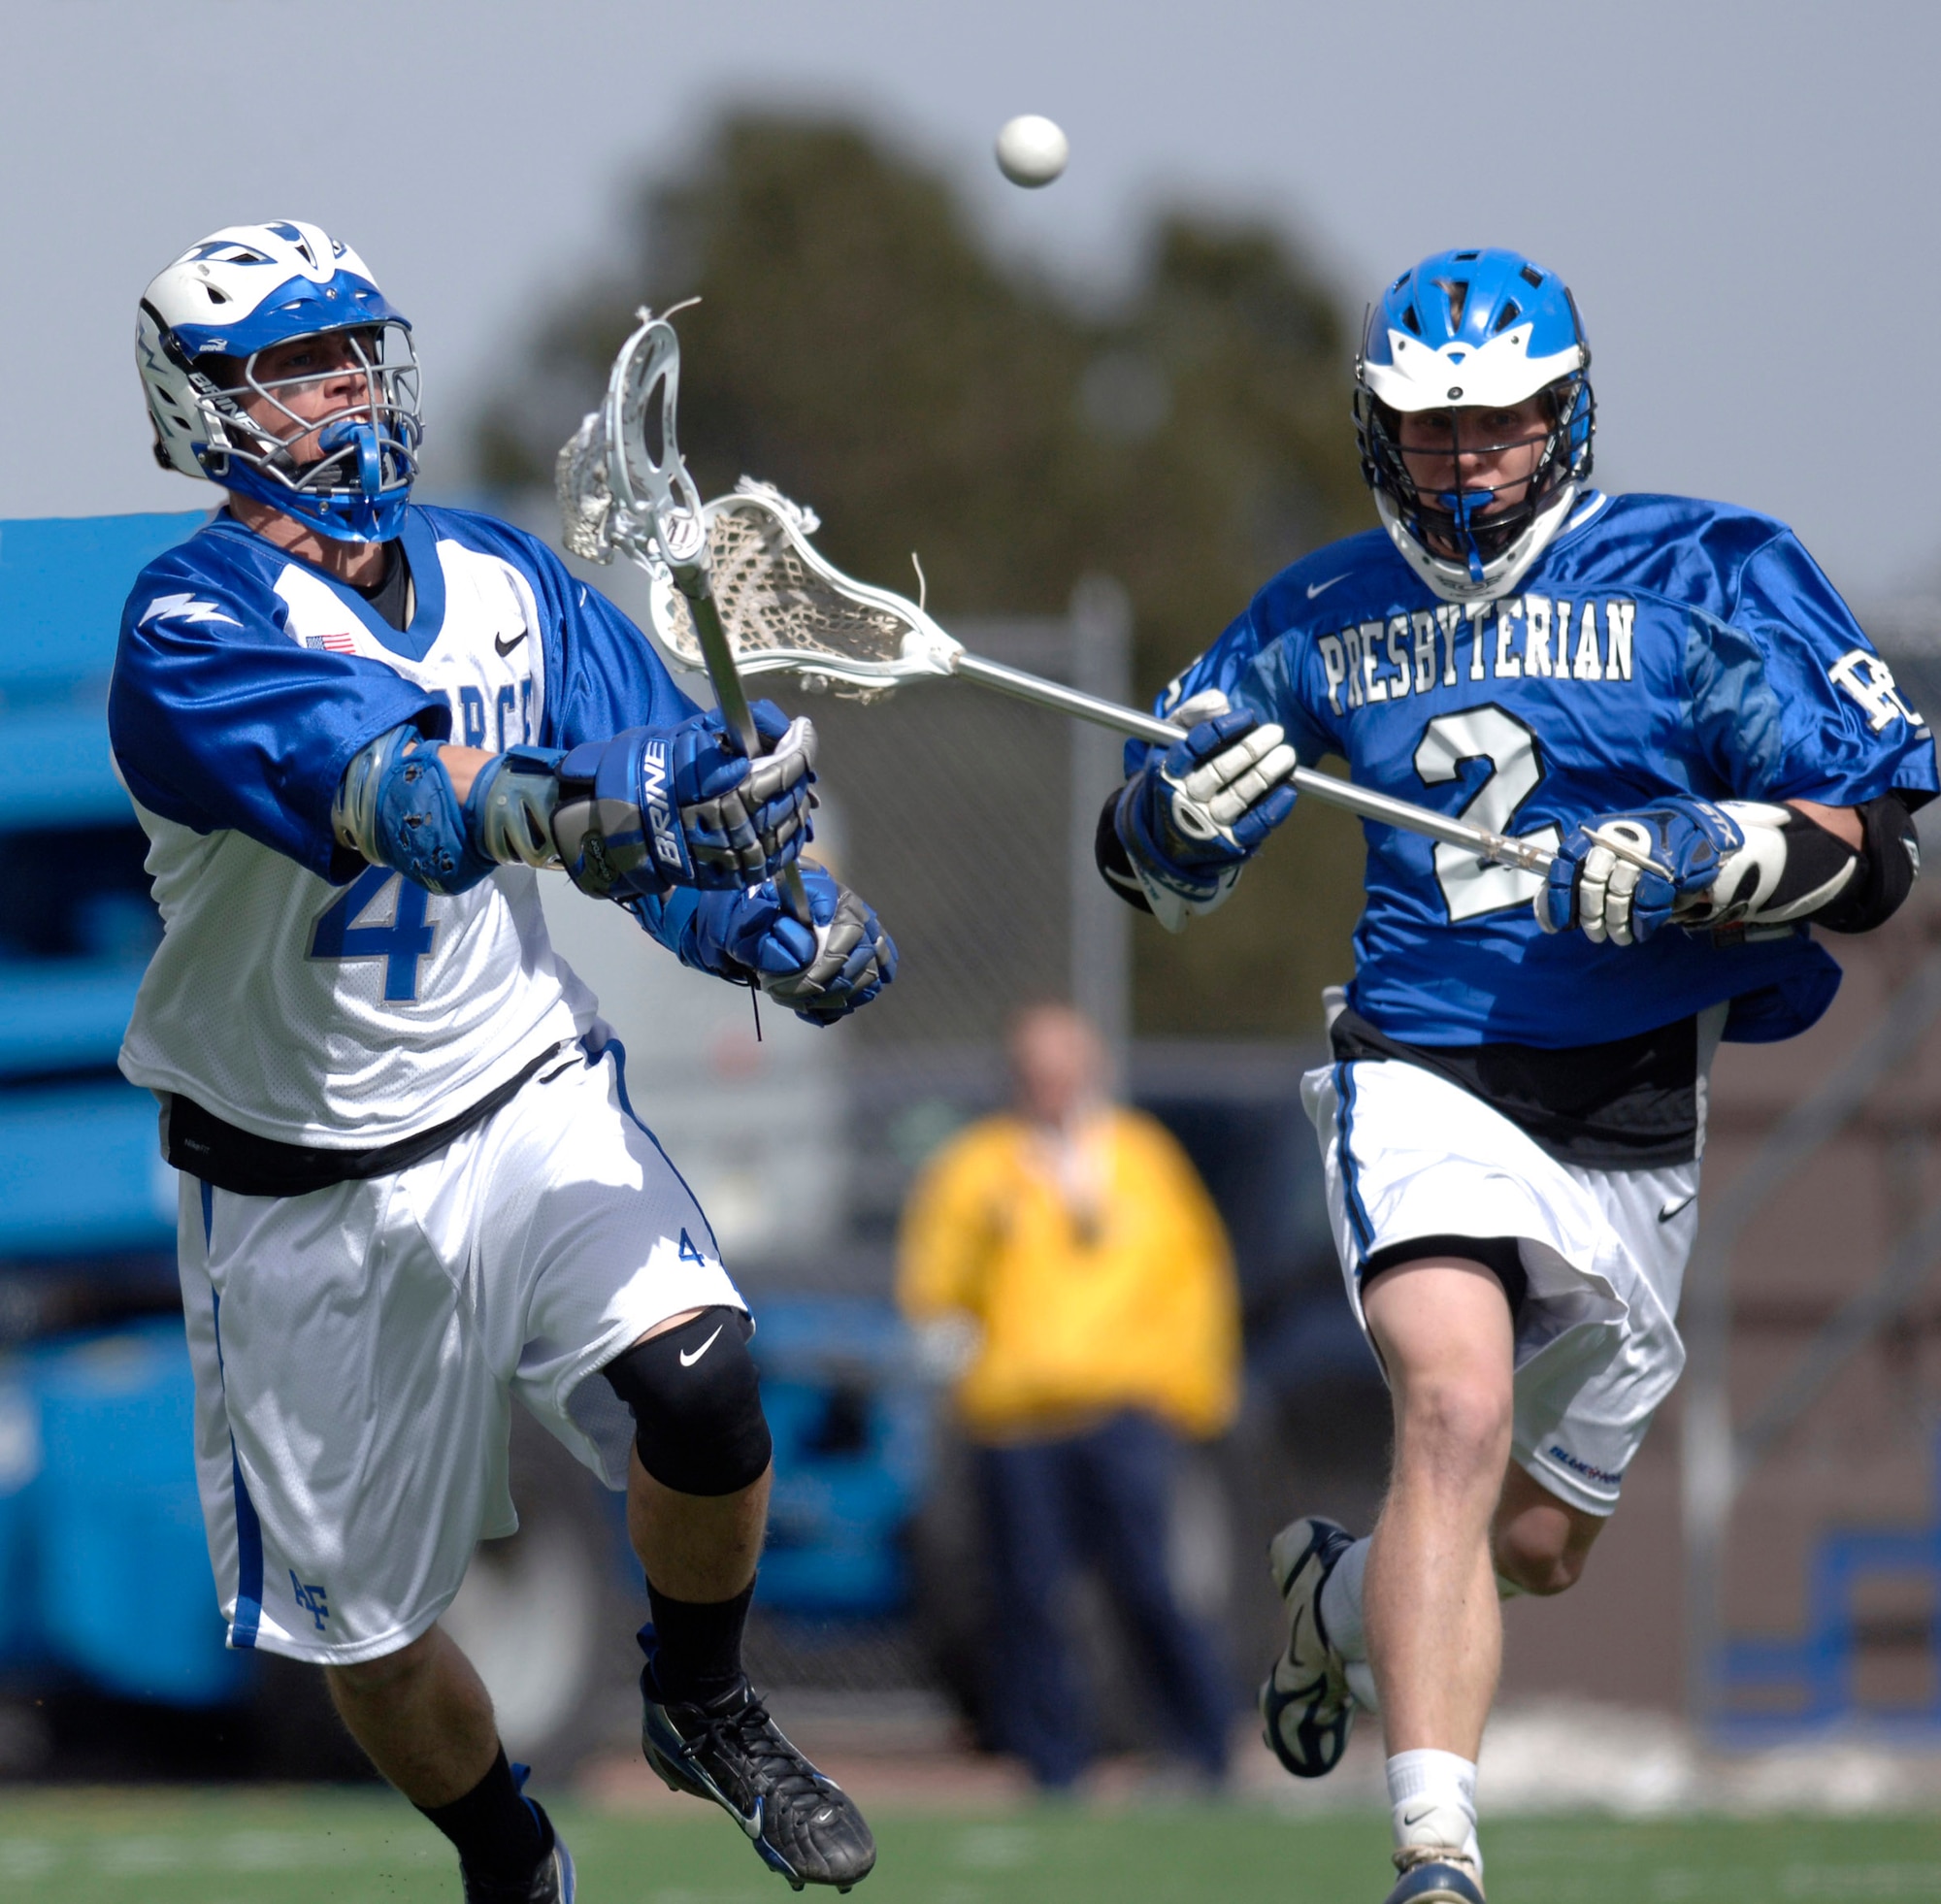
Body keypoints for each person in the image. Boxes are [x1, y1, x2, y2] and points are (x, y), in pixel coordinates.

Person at [1094, 247, 1937, 1903]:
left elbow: (1881, 849)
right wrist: (1171, 825)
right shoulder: (1323, 609)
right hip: (1430, 1063)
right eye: (1433, 427)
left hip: (1633, 1099)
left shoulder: (1709, 575)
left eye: (1502, 421)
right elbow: (1144, 854)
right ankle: (1436, 1858)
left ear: (1568, 414)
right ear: (1377, 431)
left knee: (1539, 1546)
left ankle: (1330, 1606)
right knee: (1455, 1404)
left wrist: (1717, 854)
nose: (1469, 457)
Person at [113, 220, 897, 1903]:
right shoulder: (188, 623)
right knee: (373, 1640)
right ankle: (511, 1858)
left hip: (519, 1095)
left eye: (348, 359)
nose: (338, 398)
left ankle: (703, 1697)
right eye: (288, 373)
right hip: (298, 1184)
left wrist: (770, 917)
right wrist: (579, 812)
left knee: (705, 1384)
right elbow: (390, 792)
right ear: (205, 411)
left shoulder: (504, 576)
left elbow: (667, 789)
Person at [895, 1003, 1240, 1789]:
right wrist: (960, 1374)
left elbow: (1196, 1281)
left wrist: (1194, 1392)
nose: (1051, 1085)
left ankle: (1203, 1744)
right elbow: (934, 1289)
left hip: (1125, 1411)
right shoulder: (978, 1168)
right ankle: (1051, 1762)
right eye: (1035, 1068)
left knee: (1151, 1583)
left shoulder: (1141, 1160)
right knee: (1028, 1594)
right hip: (1016, 1419)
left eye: (1064, 1067)